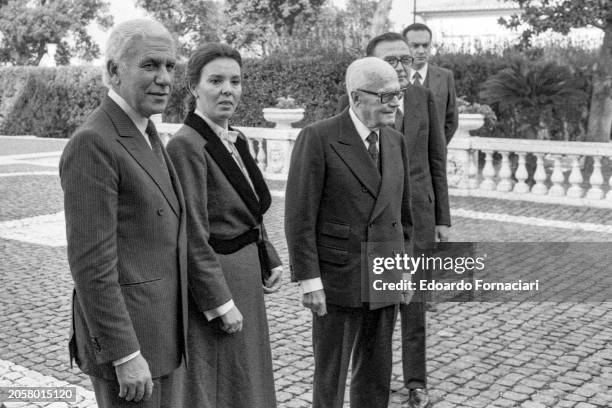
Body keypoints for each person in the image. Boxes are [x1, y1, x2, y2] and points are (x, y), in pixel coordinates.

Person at [60, 19, 187, 408]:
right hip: (133, 350)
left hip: (163, 336)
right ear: (114, 71)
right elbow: (91, 265)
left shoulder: (145, 132)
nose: (164, 78)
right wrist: (125, 354)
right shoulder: (93, 142)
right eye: (150, 65)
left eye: (170, 67)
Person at [286, 57, 413, 408]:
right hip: (338, 276)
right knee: (331, 376)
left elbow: (404, 218)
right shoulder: (319, 137)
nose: (396, 102)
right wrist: (310, 281)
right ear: (357, 98)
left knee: (376, 374)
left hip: (383, 274)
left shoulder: (395, 142)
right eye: (387, 96)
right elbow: (299, 217)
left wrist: (403, 270)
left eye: (398, 93)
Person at [166, 43, 283, 408]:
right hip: (219, 283)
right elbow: (191, 234)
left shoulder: (235, 138)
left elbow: (250, 208)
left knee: (249, 375)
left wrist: (270, 256)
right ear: (193, 88)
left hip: (247, 276)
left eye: (235, 81)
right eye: (215, 80)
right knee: (222, 384)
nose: (227, 89)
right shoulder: (187, 145)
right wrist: (218, 303)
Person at [337, 32, 450, 408]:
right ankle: (372, 382)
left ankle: (416, 381)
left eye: (406, 59)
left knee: (414, 303)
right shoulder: (356, 102)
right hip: (372, 225)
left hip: (416, 216)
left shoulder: (423, 98)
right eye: (392, 60)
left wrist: (442, 218)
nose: (402, 66)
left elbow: (437, 160)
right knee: (376, 309)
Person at [402, 23, 458, 144]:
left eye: (425, 45)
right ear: (405, 47)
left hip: (434, 156)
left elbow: (451, 120)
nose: (421, 51)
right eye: (415, 46)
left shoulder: (445, 77)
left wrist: (438, 147)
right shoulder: (396, 76)